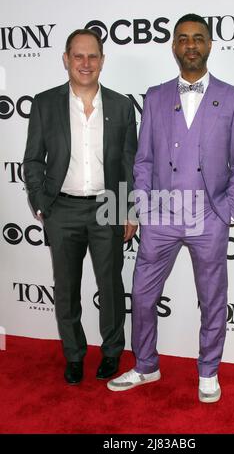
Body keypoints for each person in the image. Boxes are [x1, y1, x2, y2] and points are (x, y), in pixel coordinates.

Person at [107, 14, 234, 403]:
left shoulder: (233, 96)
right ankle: (146, 365)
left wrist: (230, 211)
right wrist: (139, 209)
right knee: (141, 296)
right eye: (183, 39)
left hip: (209, 215)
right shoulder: (154, 96)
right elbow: (143, 161)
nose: (191, 45)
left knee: (212, 299)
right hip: (161, 215)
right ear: (174, 46)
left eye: (198, 38)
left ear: (209, 44)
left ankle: (208, 370)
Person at [23, 29, 137, 384]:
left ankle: (112, 352)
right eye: (78, 56)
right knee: (67, 289)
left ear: (103, 60)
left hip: (108, 207)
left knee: (112, 287)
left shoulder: (120, 105)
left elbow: (131, 162)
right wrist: (43, 204)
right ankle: (74, 356)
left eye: (93, 56)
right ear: (66, 59)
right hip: (63, 210)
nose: (85, 64)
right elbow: (33, 161)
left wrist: (130, 210)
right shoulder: (45, 103)